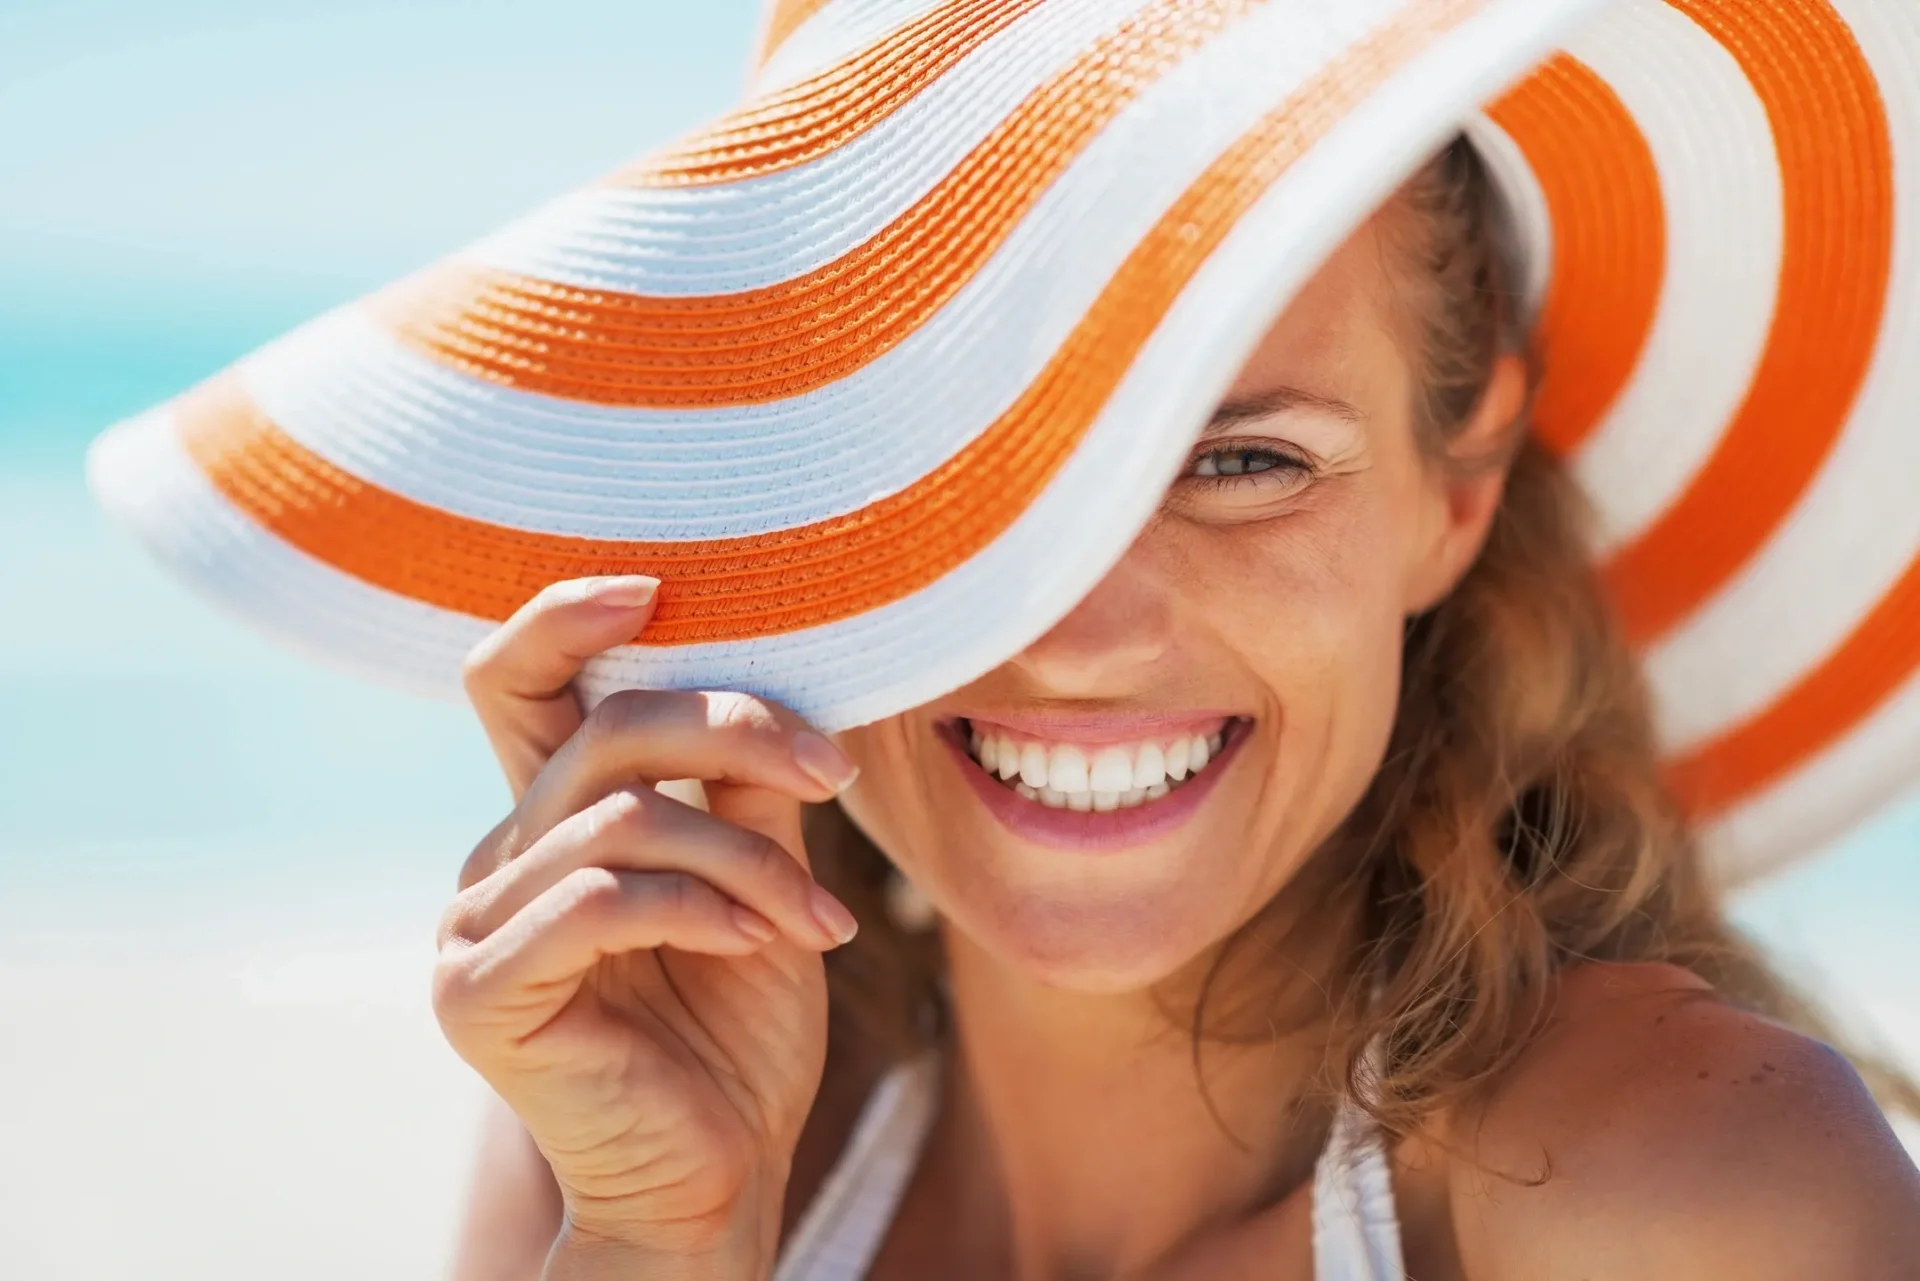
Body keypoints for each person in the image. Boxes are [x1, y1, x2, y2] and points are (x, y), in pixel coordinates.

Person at [83, 1, 1920, 1277]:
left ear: (1457, 486)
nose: (1075, 636)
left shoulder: (1666, 1192)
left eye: (1244, 461)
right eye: (956, 473)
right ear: (786, 517)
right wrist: (661, 1247)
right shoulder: (655, 1145)